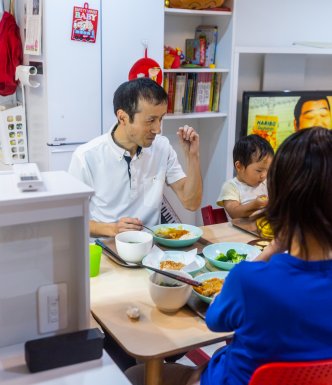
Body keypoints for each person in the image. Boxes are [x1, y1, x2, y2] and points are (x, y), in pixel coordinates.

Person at [126, 126, 332, 385]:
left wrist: (267, 253)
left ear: (281, 198)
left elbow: (215, 320)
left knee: (134, 375)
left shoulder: (250, 280)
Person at [68, 77, 202, 237]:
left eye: (161, 119)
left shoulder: (162, 147)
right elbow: (71, 220)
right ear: (123, 117)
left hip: (151, 248)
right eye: (151, 120)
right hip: (105, 248)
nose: (158, 129)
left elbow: (191, 202)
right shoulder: (86, 156)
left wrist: (192, 156)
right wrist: (112, 229)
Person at [216, 134, 274, 219]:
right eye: (259, 170)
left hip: (262, 229)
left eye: (267, 170)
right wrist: (255, 205)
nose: (264, 175)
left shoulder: (266, 184)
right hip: (237, 231)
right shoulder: (231, 187)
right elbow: (234, 213)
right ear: (239, 167)